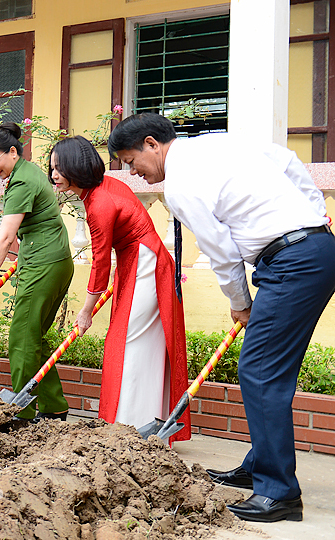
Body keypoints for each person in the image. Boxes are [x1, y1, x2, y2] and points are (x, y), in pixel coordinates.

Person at [107, 113, 335, 523]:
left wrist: (240, 301)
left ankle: (279, 493)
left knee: (260, 372)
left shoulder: (180, 184)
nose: (135, 173)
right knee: (267, 370)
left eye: (131, 160)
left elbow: (222, 251)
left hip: (293, 262)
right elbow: (287, 161)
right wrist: (315, 212)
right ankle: (259, 466)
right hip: (311, 251)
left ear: (152, 144)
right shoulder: (216, 142)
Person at [49, 136, 190, 441]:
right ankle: (143, 425)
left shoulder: (99, 203)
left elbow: (100, 263)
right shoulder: (103, 188)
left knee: (126, 343)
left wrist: (85, 312)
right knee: (141, 344)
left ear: (75, 166)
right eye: (52, 168)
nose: (54, 175)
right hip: (142, 262)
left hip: (145, 264)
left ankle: (127, 426)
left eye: (58, 168)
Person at [0, 123, 74, 423]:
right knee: (35, 337)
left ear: (13, 152)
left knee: (21, 338)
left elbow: (4, 238)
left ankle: (22, 411)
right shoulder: (28, 172)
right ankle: (54, 406)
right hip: (56, 261)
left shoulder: (21, 183)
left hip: (43, 265)